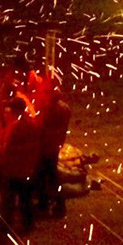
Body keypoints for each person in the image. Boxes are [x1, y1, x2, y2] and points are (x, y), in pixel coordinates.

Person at [0, 97, 41, 234]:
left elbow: (6, 149)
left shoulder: (14, 127)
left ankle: (5, 225)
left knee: (8, 200)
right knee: (26, 198)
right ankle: (28, 224)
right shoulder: (32, 124)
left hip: (13, 169)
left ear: (15, 110)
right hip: (27, 168)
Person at [33, 77, 72, 217]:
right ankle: (48, 203)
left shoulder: (50, 109)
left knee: (48, 176)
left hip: (46, 147)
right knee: (49, 175)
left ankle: (55, 205)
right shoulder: (64, 107)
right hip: (55, 145)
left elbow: (41, 127)